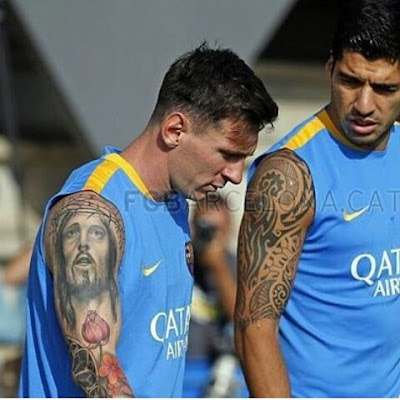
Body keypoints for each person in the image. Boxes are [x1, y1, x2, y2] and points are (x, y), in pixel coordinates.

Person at [18, 43, 278, 397]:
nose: (235, 175)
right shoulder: (90, 213)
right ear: (174, 130)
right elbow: (97, 367)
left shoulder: (176, 201)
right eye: (228, 155)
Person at [234, 0, 400, 397]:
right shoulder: (289, 176)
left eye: (384, 88)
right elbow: (253, 328)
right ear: (329, 69)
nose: (364, 105)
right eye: (350, 81)